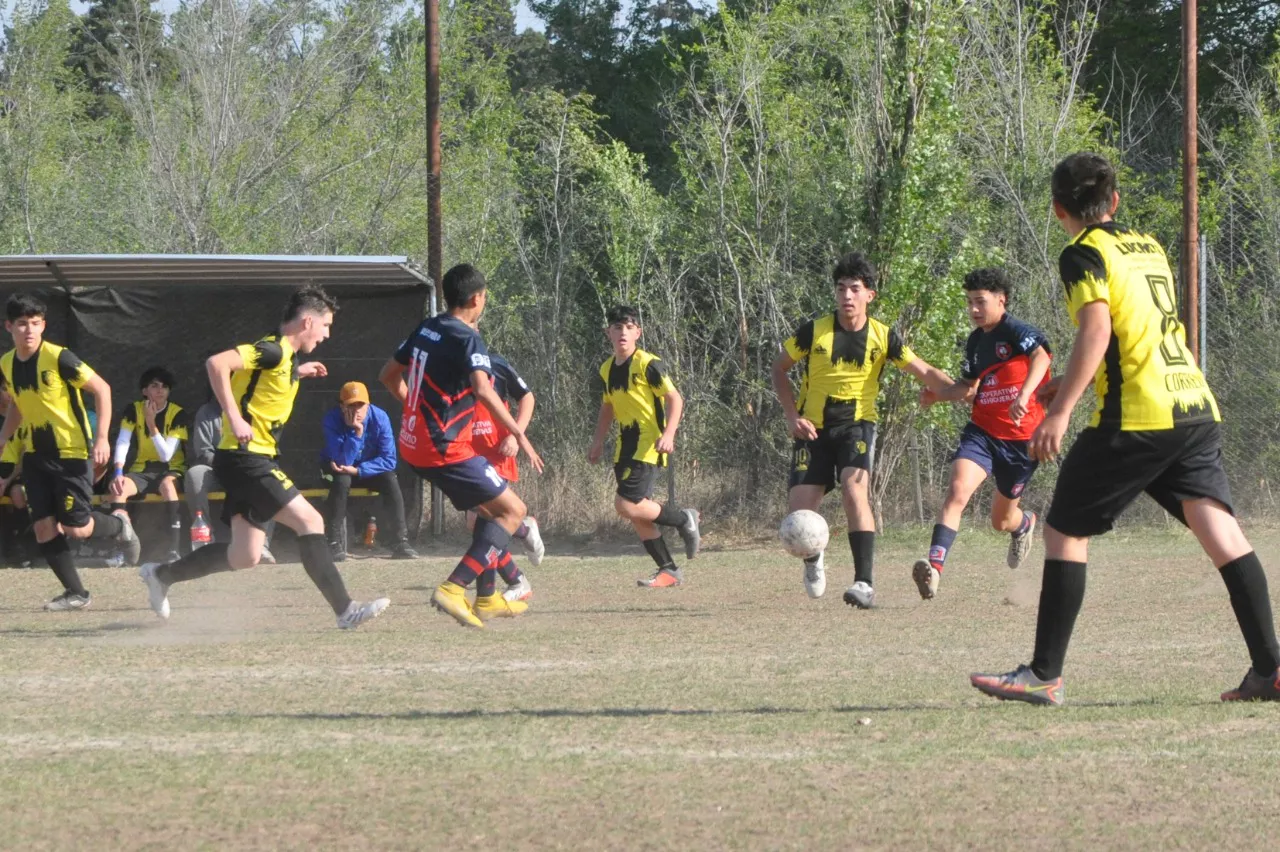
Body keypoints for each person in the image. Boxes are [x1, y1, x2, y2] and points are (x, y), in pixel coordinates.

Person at [971, 152, 1280, 705]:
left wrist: (1062, 409)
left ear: (1056, 209)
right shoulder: (1148, 245)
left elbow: (1096, 330)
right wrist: (1068, 379)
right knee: (1223, 535)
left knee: (1064, 529)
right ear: (1113, 201)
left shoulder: (1081, 253)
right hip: (1192, 404)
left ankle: (1043, 674)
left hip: (1136, 416)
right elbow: (1136, 334)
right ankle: (1272, 671)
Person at [137, 286, 389, 629]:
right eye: (326, 325)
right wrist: (235, 417)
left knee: (245, 555)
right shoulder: (272, 349)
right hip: (247, 458)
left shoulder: (286, 360)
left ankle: (161, 574)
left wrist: (299, 373)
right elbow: (217, 364)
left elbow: (259, 383)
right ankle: (346, 610)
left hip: (245, 458)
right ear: (308, 321)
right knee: (311, 522)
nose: (327, 334)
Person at [770, 252, 953, 608]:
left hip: (856, 425)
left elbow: (923, 370)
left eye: (855, 289)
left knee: (855, 490)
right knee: (800, 516)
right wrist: (792, 417)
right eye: (841, 289)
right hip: (812, 430)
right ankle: (814, 555)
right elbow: (779, 368)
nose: (847, 296)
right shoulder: (815, 330)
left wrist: (960, 390)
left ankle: (864, 584)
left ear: (870, 294)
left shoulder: (884, 336)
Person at [379, 263, 544, 629]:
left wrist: (414, 411)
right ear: (476, 298)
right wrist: (519, 435)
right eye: (484, 297)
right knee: (514, 512)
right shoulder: (467, 337)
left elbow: (388, 375)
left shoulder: (427, 327)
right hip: (444, 447)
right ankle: (454, 588)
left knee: (490, 513)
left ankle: (486, 599)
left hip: (413, 444)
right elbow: (484, 390)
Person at [913, 268, 1052, 599]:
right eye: (969, 302)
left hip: (1022, 440)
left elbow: (1042, 357)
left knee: (1001, 521)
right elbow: (967, 386)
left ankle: (1024, 525)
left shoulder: (1017, 331)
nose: (973, 309)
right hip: (983, 432)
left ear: (1000, 300)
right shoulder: (976, 342)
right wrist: (937, 395)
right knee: (957, 491)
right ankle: (934, 569)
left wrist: (1023, 395)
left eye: (980, 301)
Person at [0, 293, 140, 610]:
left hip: (71, 453)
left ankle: (119, 525)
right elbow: (19, 407)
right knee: (43, 527)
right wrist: (3, 438)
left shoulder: (59, 358)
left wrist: (102, 438)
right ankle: (77, 594)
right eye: (22, 324)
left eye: (35, 323)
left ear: (44, 325)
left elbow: (102, 389)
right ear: (9, 326)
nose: (29, 330)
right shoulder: (7, 363)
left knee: (78, 528)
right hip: (36, 455)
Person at [587, 305, 700, 588]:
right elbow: (607, 407)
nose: (622, 332)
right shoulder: (606, 369)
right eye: (617, 327)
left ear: (638, 332)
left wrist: (669, 433)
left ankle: (684, 518)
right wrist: (598, 440)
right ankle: (668, 570)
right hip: (624, 445)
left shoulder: (647, 363)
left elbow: (675, 399)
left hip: (649, 443)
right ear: (608, 333)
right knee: (634, 512)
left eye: (628, 327)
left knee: (626, 504)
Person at [465, 350, 544, 602]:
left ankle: (506, 586)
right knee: (478, 524)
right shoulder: (449, 366)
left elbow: (527, 397)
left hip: (497, 453)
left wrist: (516, 435)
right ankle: (523, 530)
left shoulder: (493, 364)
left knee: (485, 526)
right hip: (466, 454)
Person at [320, 380, 417, 561]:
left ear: (368, 405)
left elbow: (389, 461)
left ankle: (400, 542)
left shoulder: (380, 417)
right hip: (338, 470)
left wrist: (359, 471)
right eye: (351, 405)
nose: (356, 410)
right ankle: (333, 543)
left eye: (361, 405)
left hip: (366, 470)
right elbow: (341, 461)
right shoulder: (332, 420)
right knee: (341, 480)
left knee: (390, 479)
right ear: (342, 407)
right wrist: (357, 433)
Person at [185, 382, 276, 563]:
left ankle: (261, 544)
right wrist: (225, 464)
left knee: (269, 477)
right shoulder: (206, 412)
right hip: (215, 469)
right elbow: (203, 451)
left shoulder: (252, 410)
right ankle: (204, 539)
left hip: (245, 468)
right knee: (194, 474)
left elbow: (262, 447)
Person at [110, 366, 189, 562]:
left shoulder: (177, 413)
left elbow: (166, 455)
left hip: (171, 469)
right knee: (118, 489)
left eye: (164, 386)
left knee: (167, 486)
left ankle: (174, 550)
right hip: (142, 469)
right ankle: (119, 550)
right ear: (145, 391)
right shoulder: (133, 409)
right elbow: (123, 441)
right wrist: (118, 471)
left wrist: (151, 423)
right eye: (154, 386)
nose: (160, 390)